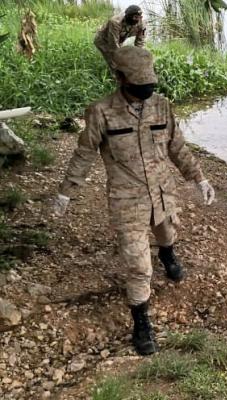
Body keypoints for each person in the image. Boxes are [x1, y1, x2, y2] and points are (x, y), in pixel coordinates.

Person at [52, 47, 216, 356]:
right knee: (139, 266)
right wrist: (66, 191)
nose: (146, 89)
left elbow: (178, 148)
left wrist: (200, 178)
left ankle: (168, 255)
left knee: (167, 234)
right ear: (119, 78)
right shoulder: (101, 112)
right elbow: (84, 153)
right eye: (138, 82)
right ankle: (141, 322)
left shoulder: (163, 108)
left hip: (163, 193)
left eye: (148, 82)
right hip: (127, 200)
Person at [94, 5, 146, 71]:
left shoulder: (141, 23)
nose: (138, 20)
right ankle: (115, 78)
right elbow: (113, 46)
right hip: (103, 40)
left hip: (118, 39)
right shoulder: (115, 22)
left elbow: (140, 41)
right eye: (136, 17)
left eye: (140, 17)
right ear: (129, 16)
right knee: (113, 61)